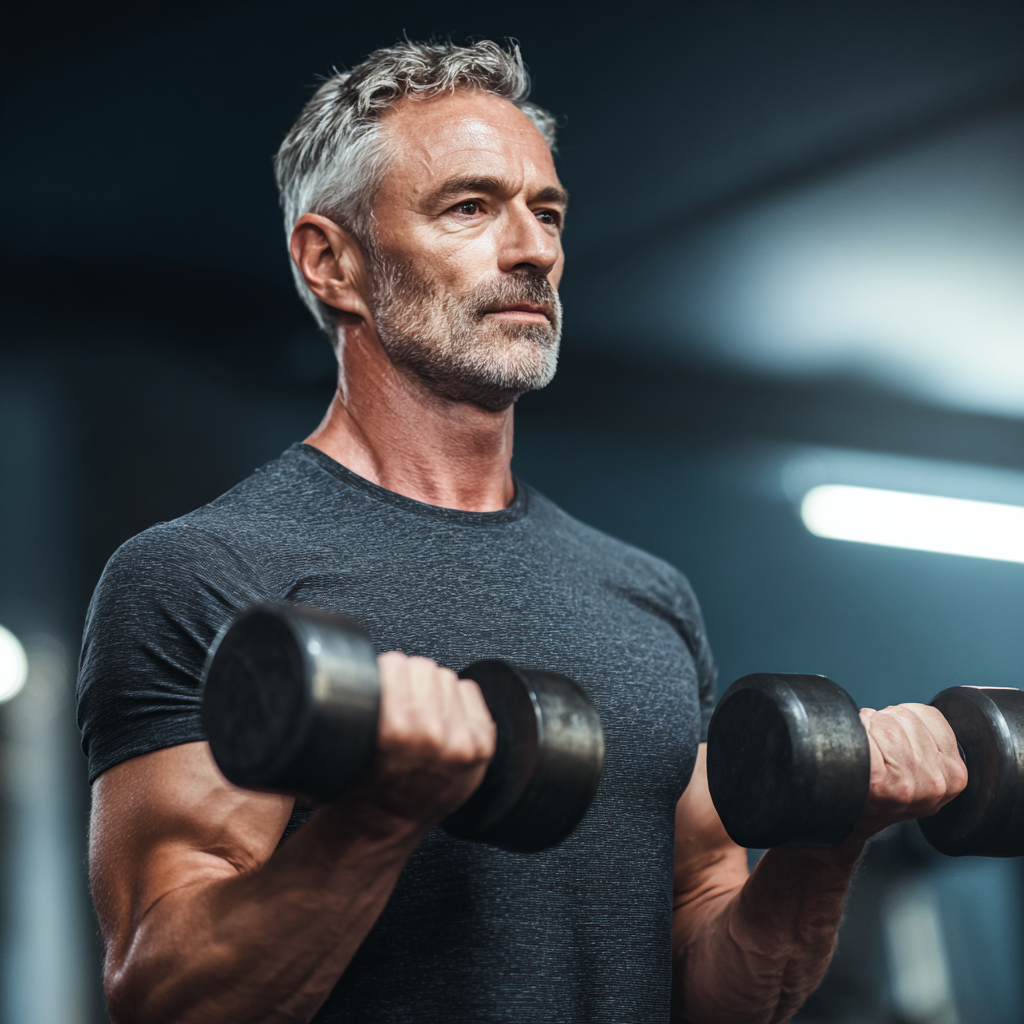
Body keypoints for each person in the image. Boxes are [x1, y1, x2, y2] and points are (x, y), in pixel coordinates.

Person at [78, 40, 967, 1024]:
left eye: (545, 212)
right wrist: (377, 819)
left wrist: (829, 842)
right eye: (469, 207)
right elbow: (164, 997)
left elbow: (715, 995)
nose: (533, 250)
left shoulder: (643, 595)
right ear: (331, 262)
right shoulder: (204, 573)